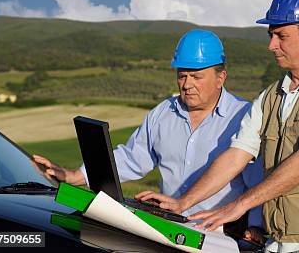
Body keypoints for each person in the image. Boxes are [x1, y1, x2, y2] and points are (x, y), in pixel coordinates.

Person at [136, 0, 299, 253]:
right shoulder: (270, 97)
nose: (271, 45)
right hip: (282, 240)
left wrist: (239, 206)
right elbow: (237, 154)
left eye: (281, 36)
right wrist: (183, 202)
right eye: (271, 35)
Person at [33, 29, 265, 245]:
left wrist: (255, 227)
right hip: (165, 230)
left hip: (219, 236)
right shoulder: (162, 113)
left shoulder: (243, 117)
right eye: (182, 76)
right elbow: (133, 158)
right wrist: (75, 176)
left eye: (196, 76)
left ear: (221, 77)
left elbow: (258, 180)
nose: (187, 85)